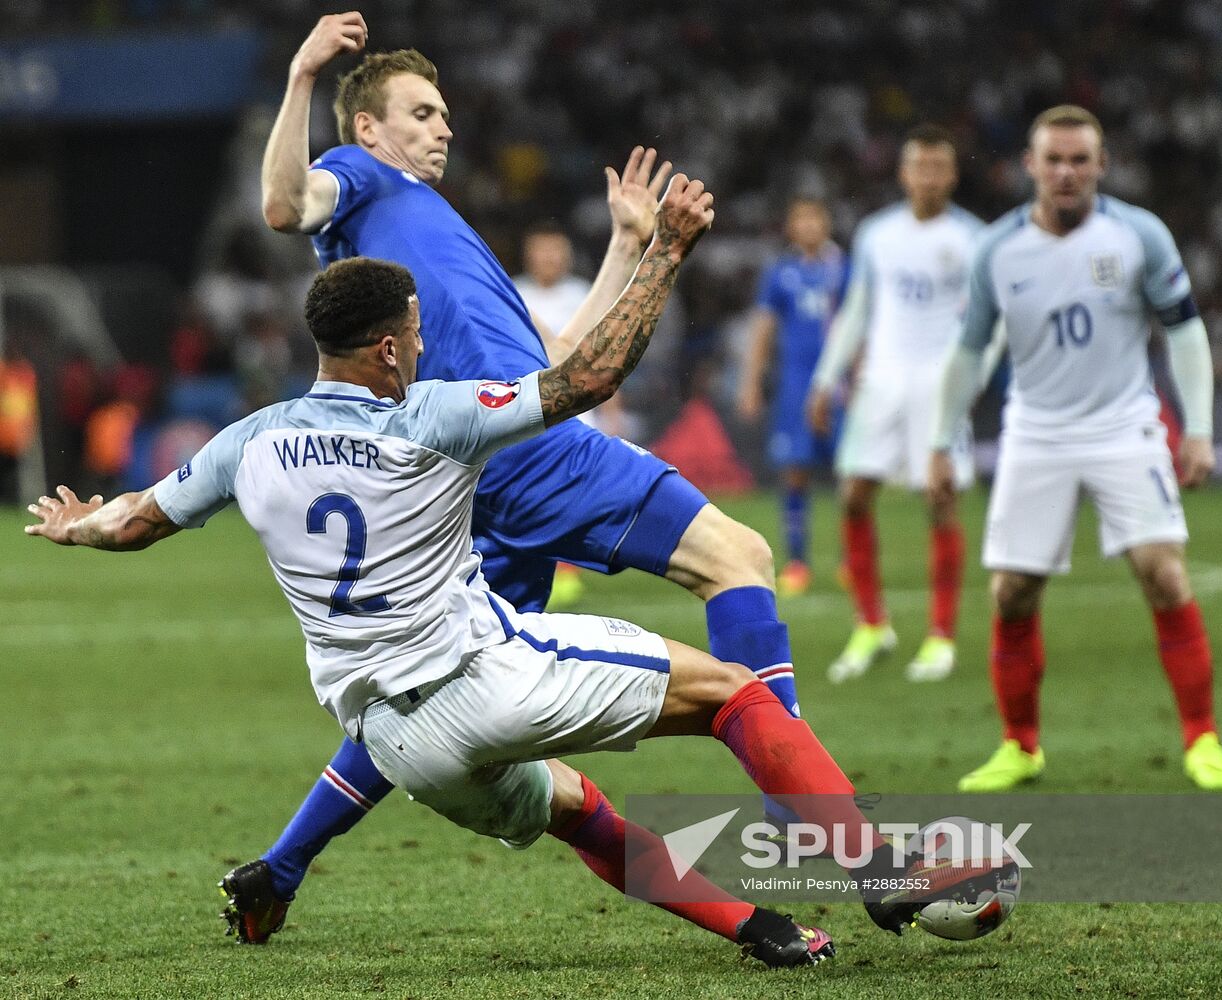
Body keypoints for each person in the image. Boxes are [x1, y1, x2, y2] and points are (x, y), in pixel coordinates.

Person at [26, 248, 975, 966]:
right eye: (418, 330)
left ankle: (758, 928)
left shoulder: (246, 441)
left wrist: (76, 527)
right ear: (392, 344)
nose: (426, 343)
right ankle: (880, 875)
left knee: (581, 816)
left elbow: (138, 522)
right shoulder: (432, 413)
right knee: (734, 694)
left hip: (397, 746)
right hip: (488, 674)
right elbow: (590, 379)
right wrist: (663, 256)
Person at [223, 12, 807, 941]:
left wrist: (621, 247)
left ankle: (281, 866)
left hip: (476, 477)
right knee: (736, 556)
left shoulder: (435, 231)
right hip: (530, 459)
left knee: (434, 684)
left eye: (445, 112)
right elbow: (286, 204)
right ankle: (807, 810)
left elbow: (557, 360)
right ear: (366, 129)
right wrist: (300, 77)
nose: (442, 126)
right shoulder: (363, 180)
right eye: (420, 112)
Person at [927, 105, 1222, 792]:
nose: (1066, 172)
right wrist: (937, 443)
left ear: (1101, 165)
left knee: (1163, 572)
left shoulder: (1138, 237)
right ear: (1029, 167)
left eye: (1079, 160)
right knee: (1011, 592)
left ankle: (1201, 740)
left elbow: (1184, 332)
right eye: (1053, 160)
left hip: (1123, 427)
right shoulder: (998, 250)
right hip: (1035, 431)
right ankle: (1019, 746)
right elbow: (969, 349)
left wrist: (1197, 430)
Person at [806, 125, 991, 683]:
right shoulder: (877, 234)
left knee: (939, 499)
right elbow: (858, 308)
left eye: (940, 167)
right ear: (904, 173)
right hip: (882, 381)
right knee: (854, 495)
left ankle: (940, 635)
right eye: (920, 166)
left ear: (953, 175)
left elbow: (988, 322)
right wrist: (825, 378)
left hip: (938, 384)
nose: (930, 177)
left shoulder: (975, 238)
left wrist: (971, 382)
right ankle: (870, 623)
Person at [737, 198, 850, 595]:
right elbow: (763, 327)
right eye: (799, 218)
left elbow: (861, 324)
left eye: (814, 217)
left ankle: (850, 561)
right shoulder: (780, 273)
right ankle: (798, 563)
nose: (807, 225)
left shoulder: (844, 269)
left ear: (827, 222)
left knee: (849, 474)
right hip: (795, 386)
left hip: (840, 387)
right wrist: (751, 382)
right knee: (795, 472)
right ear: (790, 226)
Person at [513, 222, 619, 607]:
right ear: (530, 255)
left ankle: (568, 564)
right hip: (525, 408)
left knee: (570, 491)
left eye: (555, 251)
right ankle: (550, 565)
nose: (549, 258)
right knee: (534, 492)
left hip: (578, 408)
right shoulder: (514, 292)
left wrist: (612, 411)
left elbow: (602, 354)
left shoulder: (580, 294)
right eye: (542, 250)